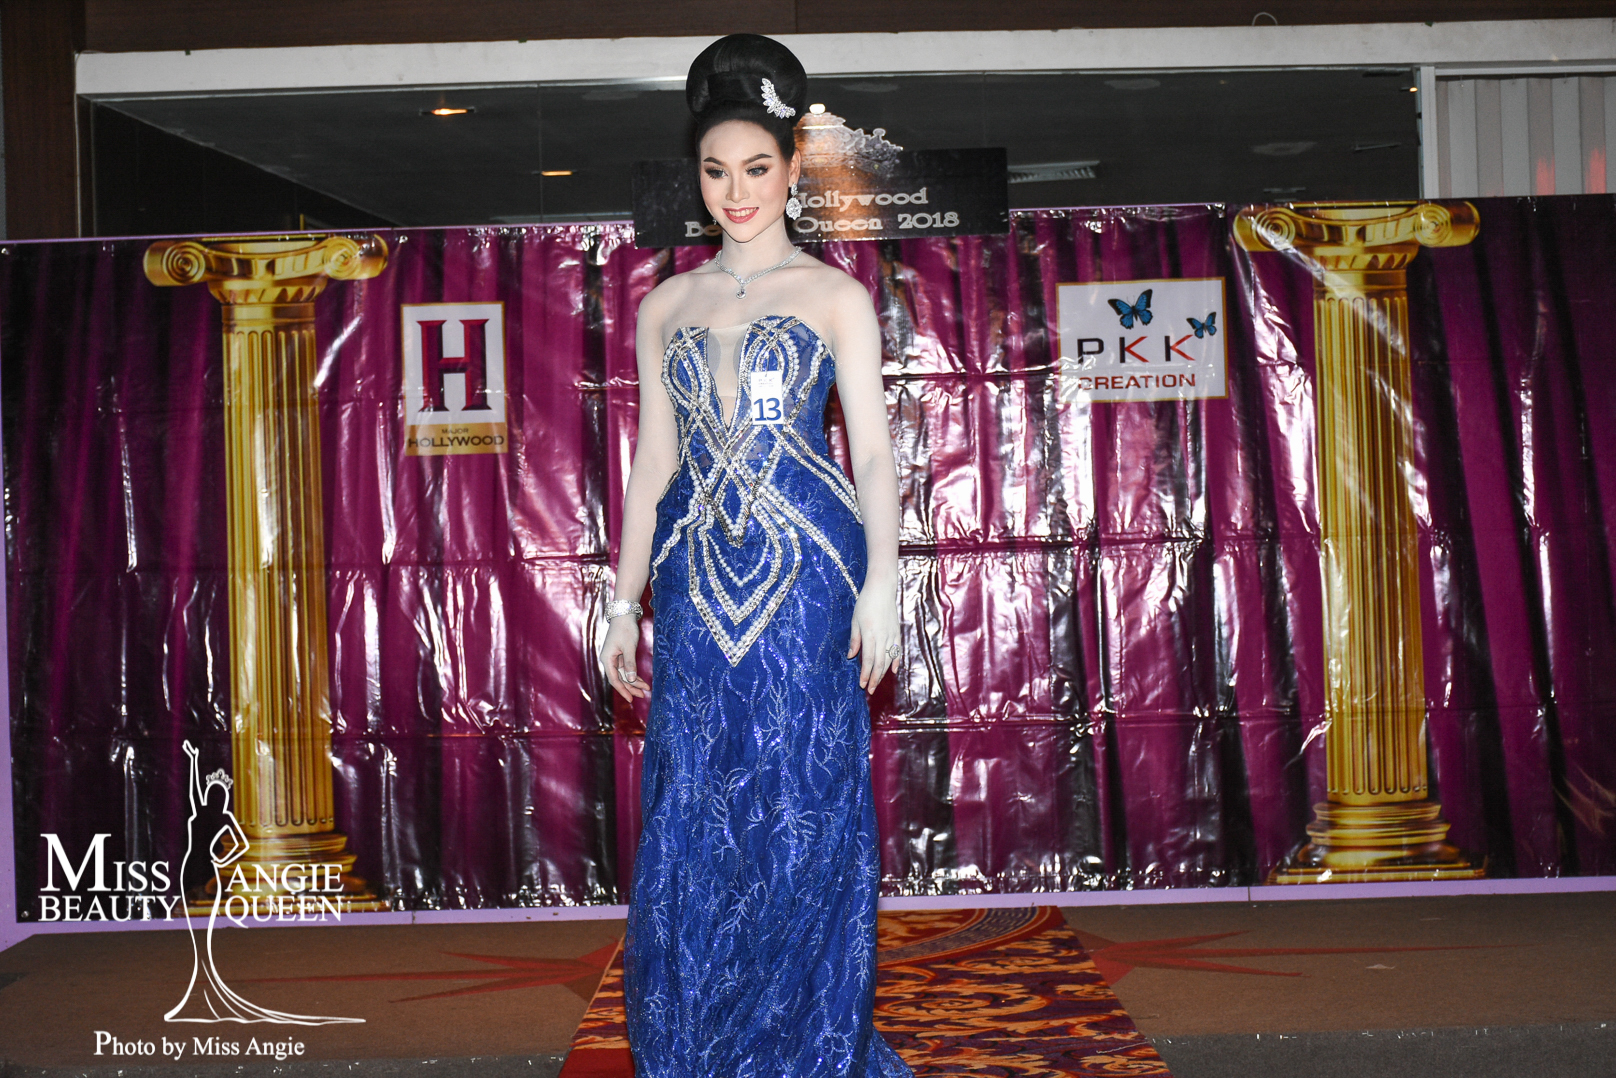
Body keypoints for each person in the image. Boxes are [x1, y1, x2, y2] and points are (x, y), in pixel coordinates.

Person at [598, 32, 912, 1078]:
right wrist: (621, 599)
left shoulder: (835, 296)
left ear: (790, 168)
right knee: (696, 806)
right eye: (715, 171)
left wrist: (883, 583)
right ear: (695, 178)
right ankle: (700, 1045)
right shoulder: (664, 306)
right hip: (694, 586)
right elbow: (653, 463)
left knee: (800, 800)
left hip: (808, 583)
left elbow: (872, 451)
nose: (736, 193)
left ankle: (805, 1045)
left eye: (757, 168)